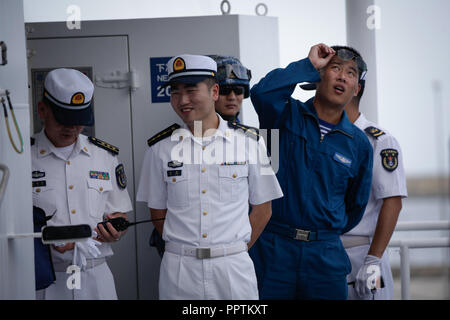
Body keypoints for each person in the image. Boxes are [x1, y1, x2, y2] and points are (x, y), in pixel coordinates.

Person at [136, 54, 283, 299]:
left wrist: (230, 251)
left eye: (191, 90)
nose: (182, 100)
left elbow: (263, 209)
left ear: (214, 91)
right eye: (175, 92)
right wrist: (188, 250)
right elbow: (157, 214)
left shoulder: (252, 143)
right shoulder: (158, 150)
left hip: (233, 269)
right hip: (180, 271)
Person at [248, 43, 373, 299]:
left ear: (356, 89)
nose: (341, 76)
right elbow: (262, 93)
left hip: (325, 256)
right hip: (273, 249)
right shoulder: (284, 115)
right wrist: (307, 65)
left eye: (350, 73)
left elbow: (355, 205)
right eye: (335, 68)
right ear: (319, 76)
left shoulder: (359, 144)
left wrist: (321, 228)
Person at [32, 68, 132, 299]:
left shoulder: (104, 156)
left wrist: (114, 231)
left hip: (95, 277)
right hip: (45, 281)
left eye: (78, 121)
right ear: (42, 110)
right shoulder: (22, 158)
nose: (71, 128)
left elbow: (119, 214)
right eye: (63, 119)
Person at [342, 80, 407, 299]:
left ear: (355, 89)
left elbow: (393, 202)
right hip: (326, 256)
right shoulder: (322, 138)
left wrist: (374, 259)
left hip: (363, 255)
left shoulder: (379, 140)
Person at [210, 55, 252, 122]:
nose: (232, 97)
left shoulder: (246, 131)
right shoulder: (195, 129)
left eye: (238, 91)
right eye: (224, 91)